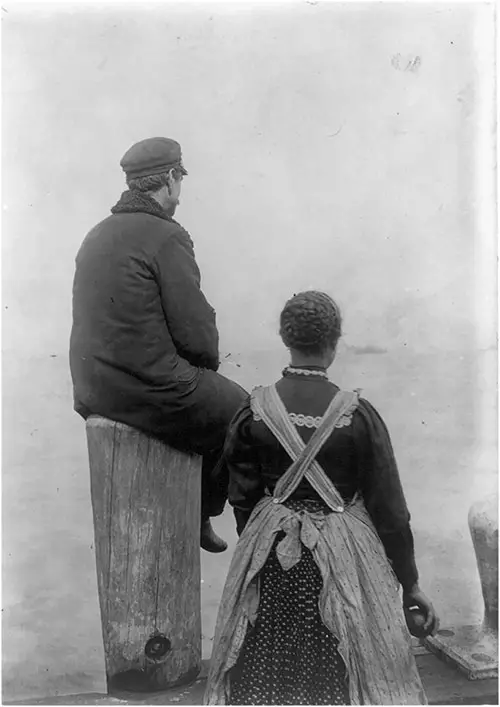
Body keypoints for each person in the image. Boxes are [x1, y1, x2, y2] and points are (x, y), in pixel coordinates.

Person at [204, 290, 439, 705]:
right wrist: (410, 582)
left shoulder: (254, 409)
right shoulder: (357, 414)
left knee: (265, 671)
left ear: (286, 339)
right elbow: (391, 513)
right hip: (345, 559)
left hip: (272, 557)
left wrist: (263, 537)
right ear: (333, 342)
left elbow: (243, 497)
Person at [69, 136, 247, 553]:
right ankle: (206, 515)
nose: (179, 196)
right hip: (147, 388)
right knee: (244, 412)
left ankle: (196, 514)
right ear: (170, 179)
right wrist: (203, 367)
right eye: (179, 181)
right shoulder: (167, 236)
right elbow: (198, 338)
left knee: (211, 402)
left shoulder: (95, 235)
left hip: (94, 392)